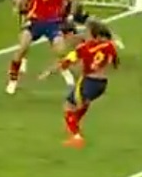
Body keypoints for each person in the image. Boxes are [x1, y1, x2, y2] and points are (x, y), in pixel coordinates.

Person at [40, 19, 119, 148]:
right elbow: (114, 63)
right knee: (81, 104)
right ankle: (75, 127)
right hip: (102, 83)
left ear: (92, 34)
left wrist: (49, 72)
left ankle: (76, 137)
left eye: (87, 31)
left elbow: (66, 62)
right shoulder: (109, 45)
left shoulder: (84, 48)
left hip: (89, 81)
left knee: (69, 105)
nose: (85, 33)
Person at [7, 0, 75, 95]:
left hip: (52, 22)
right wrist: (19, 3)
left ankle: (64, 70)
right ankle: (13, 80)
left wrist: (70, 13)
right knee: (21, 48)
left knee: (61, 51)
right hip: (35, 20)